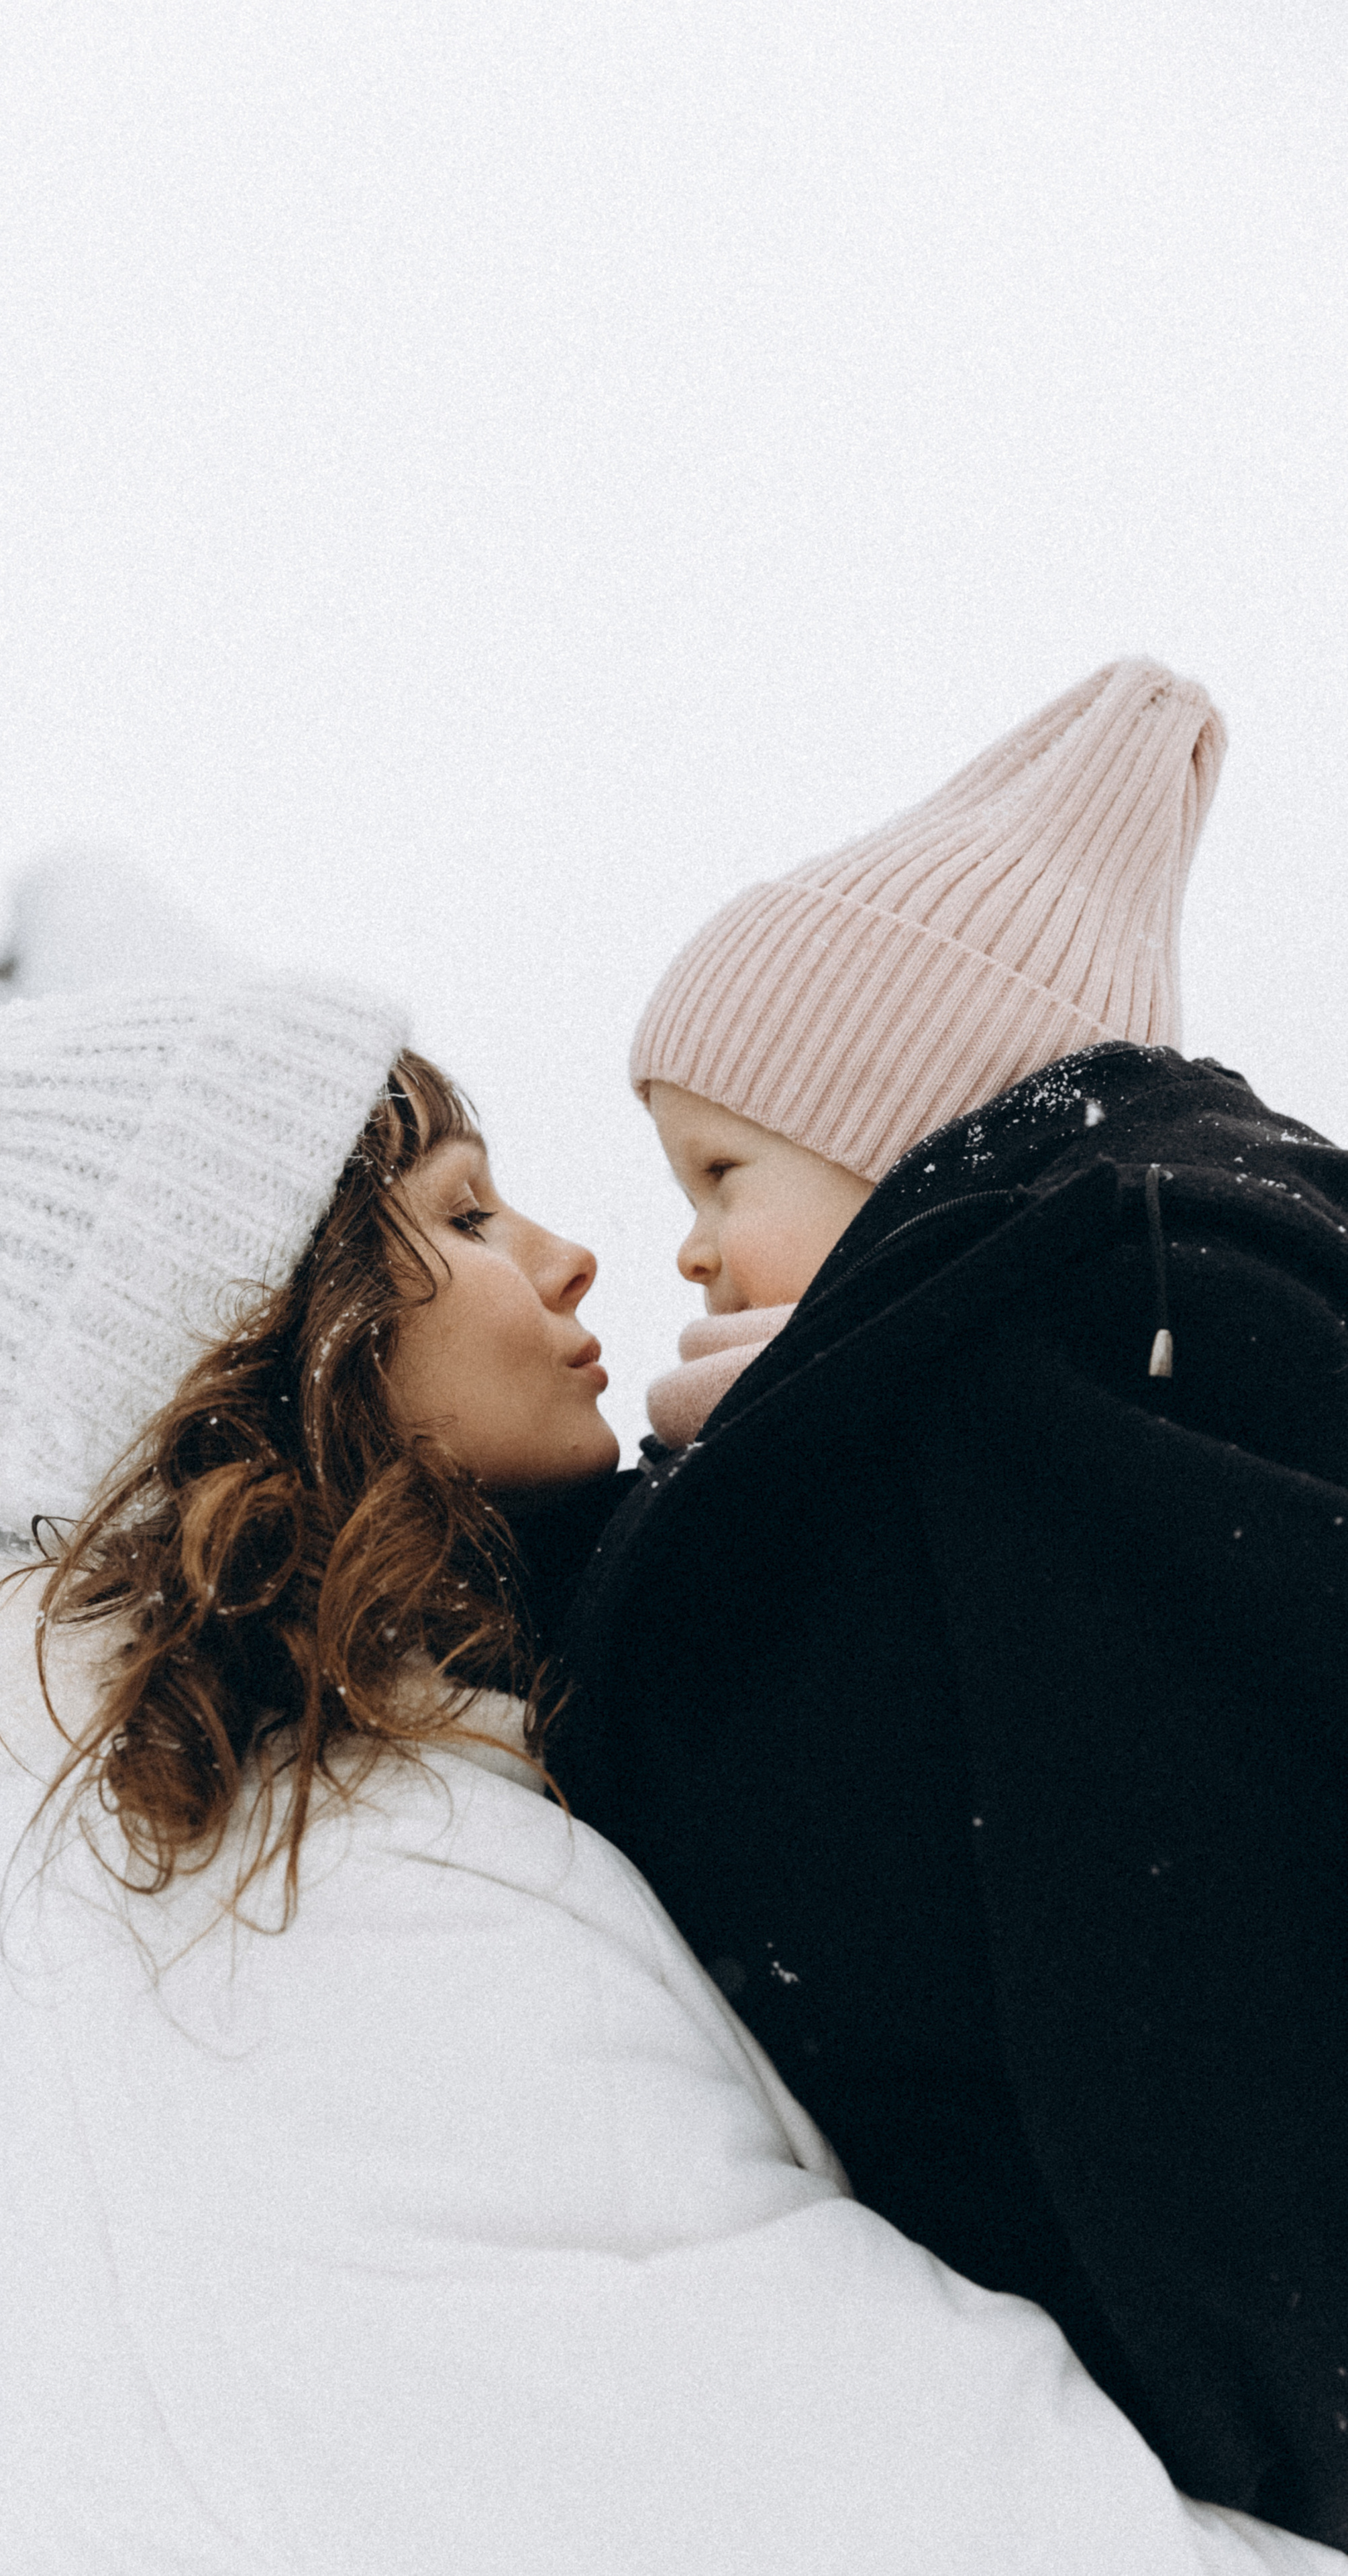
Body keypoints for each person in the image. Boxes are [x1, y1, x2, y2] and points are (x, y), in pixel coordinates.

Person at [0, 958, 1341, 2574]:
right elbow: (912, 2511)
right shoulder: (325, 1917)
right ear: (287, 1336)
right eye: (471, 1216)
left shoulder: (251, 1844)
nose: (570, 1263)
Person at [541, 657, 1348, 2551]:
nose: (675, 1237)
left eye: (722, 1165)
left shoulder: (1128, 1329)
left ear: (906, 1125)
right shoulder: (989, 1389)